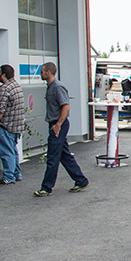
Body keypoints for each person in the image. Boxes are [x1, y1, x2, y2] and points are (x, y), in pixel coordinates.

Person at [34, 62, 89, 197]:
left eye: (42, 71)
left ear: (48, 72)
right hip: (56, 123)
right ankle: (80, 180)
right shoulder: (51, 87)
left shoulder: (57, 87)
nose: (40, 74)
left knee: (52, 156)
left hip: (58, 124)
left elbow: (65, 106)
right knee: (64, 155)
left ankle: (46, 187)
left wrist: (58, 124)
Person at [0, 64, 25, 186]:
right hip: (16, 126)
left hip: (6, 125)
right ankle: (16, 173)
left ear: (4, 74)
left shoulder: (4, 89)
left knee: (6, 152)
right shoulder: (17, 86)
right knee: (13, 150)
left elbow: (0, 110)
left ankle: (8, 176)